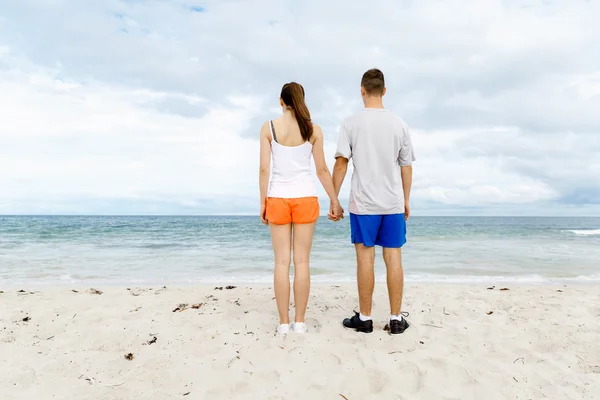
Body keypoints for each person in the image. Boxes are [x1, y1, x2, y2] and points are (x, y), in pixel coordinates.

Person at [331, 68, 415, 334]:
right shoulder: (399, 124)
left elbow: (342, 163)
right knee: (394, 259)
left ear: (362, 90)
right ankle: (395, 319)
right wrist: (406, 199)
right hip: (391, 202)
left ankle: (365, 319)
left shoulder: (351, 123)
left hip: (364, 204)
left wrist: (334, 198)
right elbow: (406, 166)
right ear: (385, 91)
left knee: (365, 260)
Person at [259, 82, 344, 335]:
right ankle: (300, 322)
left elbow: (264, 169)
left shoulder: (269, 127)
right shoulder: (313, 129)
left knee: (281, 263)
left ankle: (283, 323)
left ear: (281, 100)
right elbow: (322, 170)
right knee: (303, 262)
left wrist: (263, 201)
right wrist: (334, 200)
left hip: (278, 198)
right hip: (306, 197)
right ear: (301, 100)